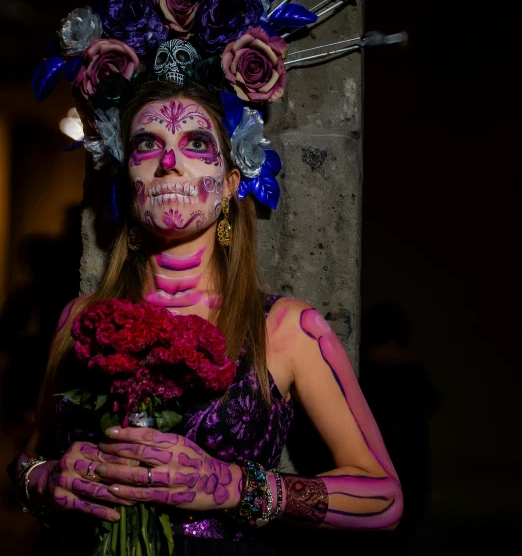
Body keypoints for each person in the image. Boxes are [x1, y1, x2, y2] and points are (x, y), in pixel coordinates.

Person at [9, 80, 403, 554]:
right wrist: (45, 479)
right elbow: (28, 461)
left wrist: (234, 486)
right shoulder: (80, 319)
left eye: (196, 143)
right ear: (128, 182)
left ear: (232, 184)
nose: (169, 161)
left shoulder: (286, 328)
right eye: (147, 143)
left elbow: (383, 498)